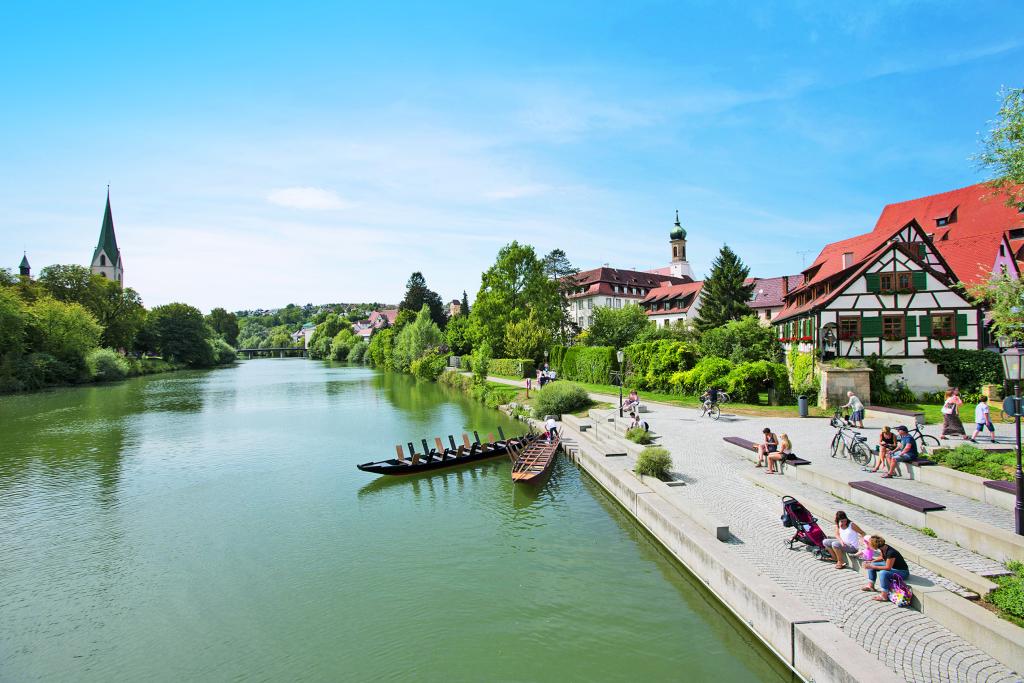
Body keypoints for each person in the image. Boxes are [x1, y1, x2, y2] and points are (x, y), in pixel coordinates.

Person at [862, 535, 910, 602]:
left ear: (875, 545)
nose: (869, 545)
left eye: (870, 544)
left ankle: (884, 596)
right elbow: (882, 557)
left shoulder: (891, 552)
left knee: (883, 573)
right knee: (871, 564)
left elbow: (888, 567)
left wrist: (871, 566)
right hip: (893, 567)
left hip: (902, 572)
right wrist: (872, 561)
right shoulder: (883, 548)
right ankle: (871, 586)